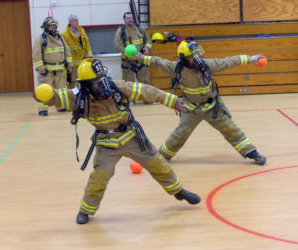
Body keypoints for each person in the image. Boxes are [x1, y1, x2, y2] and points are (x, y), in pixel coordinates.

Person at [34, 58, 201, 224]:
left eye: (103, 79)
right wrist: (44, 95)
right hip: (106, 143)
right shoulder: (78, 97)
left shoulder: (118, 87)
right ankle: (85, 210)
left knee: (158, 163)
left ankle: (178, 191)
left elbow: (146, 91)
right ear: (86, 85)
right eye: (97, 82)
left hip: (131, 136)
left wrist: (173, 101)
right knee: (99, 177)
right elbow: (57, 97)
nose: (103, 84)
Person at [134, 40, 267, 165]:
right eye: (193, 55)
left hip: (212, 108)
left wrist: (251, 58)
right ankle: (162, 157)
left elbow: (228, 62)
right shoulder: (177, 68)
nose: (197, 58)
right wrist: (141, 58)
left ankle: (252, 153)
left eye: (197, 54)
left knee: (231, 130)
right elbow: (158, 62)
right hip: (191, 110)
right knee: (180, 135)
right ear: (185, 59)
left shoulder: (207, 65)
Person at [32, 17, 73, 116]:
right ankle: (43, 109)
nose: (53, 28)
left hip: (60, 70)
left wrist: (70, 65)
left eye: (55, 26)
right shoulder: (41, 39)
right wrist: (41, 68)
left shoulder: (60, 38)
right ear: (46, 28)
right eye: (51, 26)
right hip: (47, 71)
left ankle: (61, 106)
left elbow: (67, 52)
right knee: (44, 90)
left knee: (61, 90)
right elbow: (36, 55)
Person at [114, 12, 152, 102]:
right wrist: (127, 52)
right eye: (128, 18)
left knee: (145, 81)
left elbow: (148, 40)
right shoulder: (121, 31)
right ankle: (129, 100)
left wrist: (147, 48)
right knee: (128, 83)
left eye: (131, 17)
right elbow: (117, 46)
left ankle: (148, 99)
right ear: (124, 19)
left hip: (141, 59)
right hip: (128, 62)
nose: (130, 19)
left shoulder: (139, 28)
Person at [61, 14, 93, 88]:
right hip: (73, 65)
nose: (77, 22)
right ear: (70, 22)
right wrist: (68, 64)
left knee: (85, 81)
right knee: (74, 83)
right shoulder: (64, 34)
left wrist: (90, 57)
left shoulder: (82, 31)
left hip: (84, 63)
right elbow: (64, 50)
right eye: (75, 20)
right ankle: (74, 97)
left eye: (77, 20)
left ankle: (84, 97)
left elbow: (87, 44)